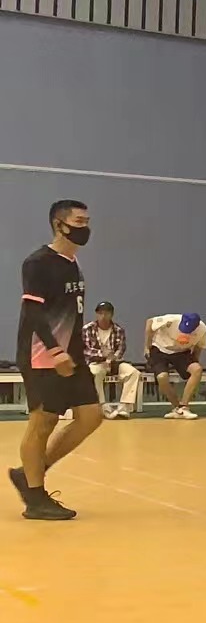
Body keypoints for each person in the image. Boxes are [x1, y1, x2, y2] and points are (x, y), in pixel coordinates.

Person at [9, 200, 97, 520]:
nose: (86, 227)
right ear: (59, 225)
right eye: (79, 221)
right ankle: (36, 500)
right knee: (43, 422)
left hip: (72, 355)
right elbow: (33, 311)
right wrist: (55, 351)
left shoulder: (72, 263)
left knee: (91, 416)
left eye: (87, 220)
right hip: (43, 355)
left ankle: (31, 472)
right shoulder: (38, 263)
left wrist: (71, 351)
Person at [145, 311, 206, 419]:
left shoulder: (202, 330)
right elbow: (150, 322)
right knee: (162, 377)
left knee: (197, 369)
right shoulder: (171, 319)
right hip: (160, 349)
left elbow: (199, 347)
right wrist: (147, 347)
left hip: (182, 352)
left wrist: (193, 362)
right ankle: (177, 408)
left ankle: (184, 406)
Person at [81, 301, 139, 420]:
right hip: (96, 362)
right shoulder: (88, 329)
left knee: (133, 373)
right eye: (100, 313)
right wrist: (102, 354)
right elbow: (85, 350)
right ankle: (103, 406)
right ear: (96, 314)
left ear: (111, 315)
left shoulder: (118, 330)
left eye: (106, 313)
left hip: (114, 362)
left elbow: (121, 348)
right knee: (94, 373)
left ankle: (124, 407)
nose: (103, 316)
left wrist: (113, 357)